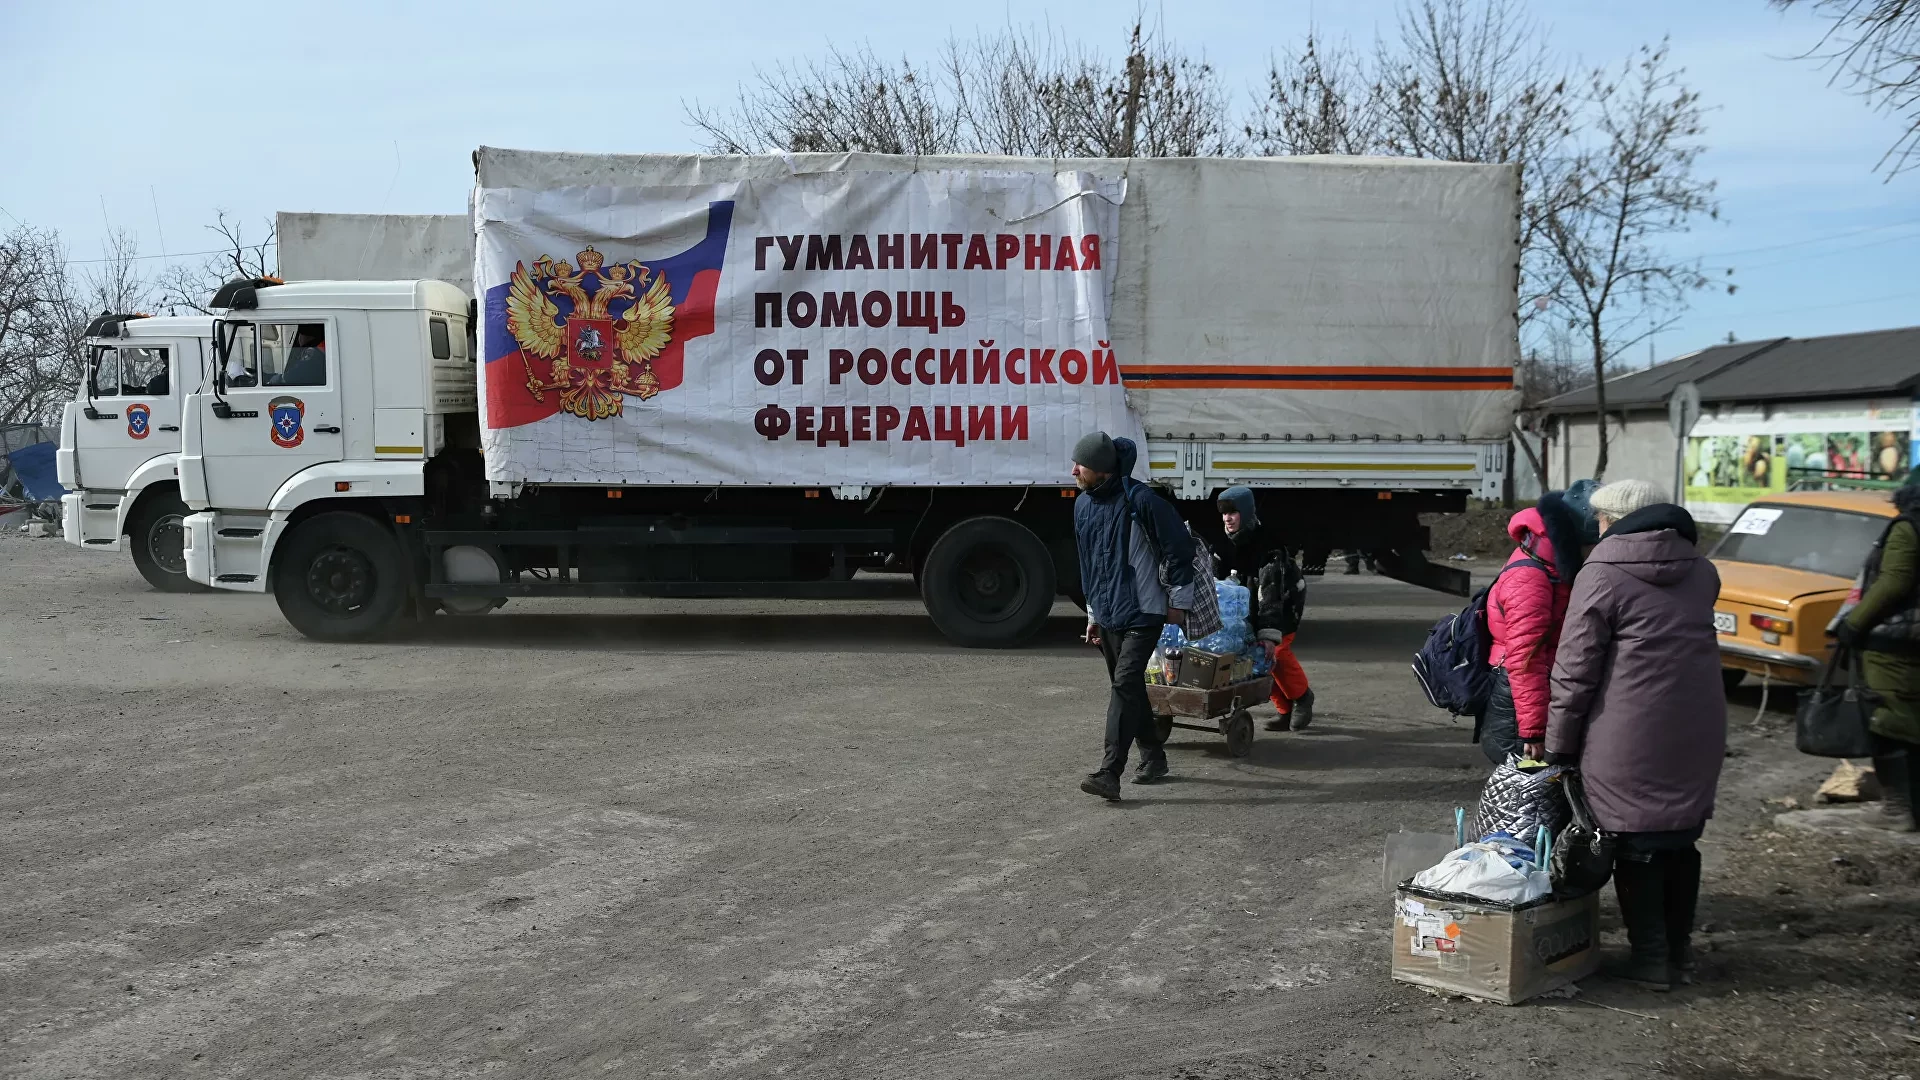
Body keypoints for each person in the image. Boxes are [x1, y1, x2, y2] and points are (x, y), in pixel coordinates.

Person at [1545, 479, 1727, 991]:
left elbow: (1575, 669)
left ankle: (1650, 960)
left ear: (1613, 520)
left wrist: (1558, 744)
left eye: (1601, 518)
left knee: (1634, 840)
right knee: (1680, 838)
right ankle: (1679, 954)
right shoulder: (1703, 569)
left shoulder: (1601, 573)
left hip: (1627, 729)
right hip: (1698, 726)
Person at [1074, 431, 1196, 800]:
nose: (1074, 470)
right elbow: (1088, 565)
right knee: (1128, 689)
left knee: (1124, 684)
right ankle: (1154, 757)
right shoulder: (1082, 505)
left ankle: (1109, 772)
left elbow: (1179, 549)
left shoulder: (1141, 500)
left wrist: (1178, 602)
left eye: (1081, 465)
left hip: (1144, 610)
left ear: (1102, 470)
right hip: (1108, 612)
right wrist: (1092, 613)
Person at [1475, 479, 1598, 765]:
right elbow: (1525, 658)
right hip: (1519, 701)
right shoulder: (1531, 578)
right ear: (1577, 539)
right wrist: (1533, 731)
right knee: (1525, 786)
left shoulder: (1548, 560)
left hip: (1536, 692)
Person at [1837, 468, 1920, 832]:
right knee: (1910, 723)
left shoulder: (1907, 528)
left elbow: (1894, 581)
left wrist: (1854, 623)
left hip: (1894, 643)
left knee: (1887, 722)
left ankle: (1897, 811)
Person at [1215, 486, 1313, 731]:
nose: (1227, 519)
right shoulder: (1223, 544)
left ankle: (1302, 698)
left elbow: (1271, 593)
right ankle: (1285, 711)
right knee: (1257, 659)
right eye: (1224, 513)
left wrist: (1269, 634)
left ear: (1246, 513)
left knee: (1275, 652)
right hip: (1250, 603)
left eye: (1233, 513)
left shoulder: (1269, 546)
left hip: (1284, 602)